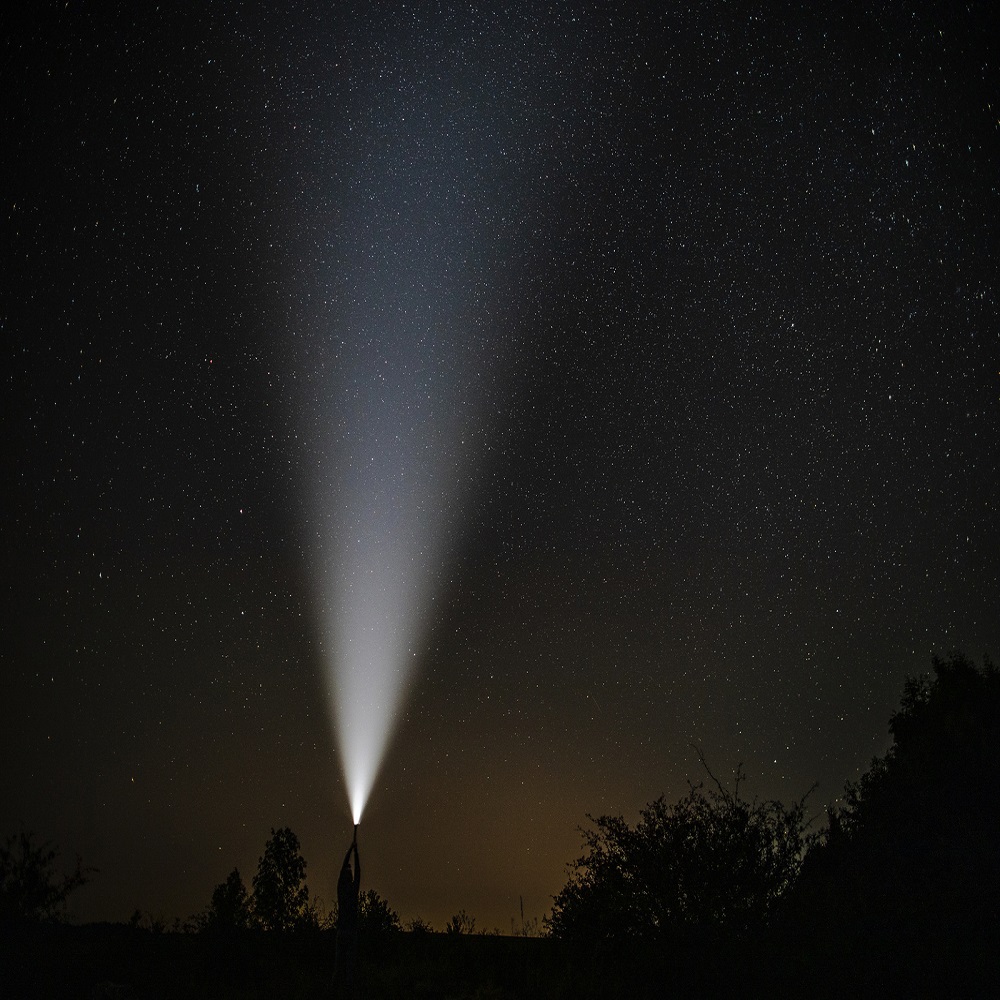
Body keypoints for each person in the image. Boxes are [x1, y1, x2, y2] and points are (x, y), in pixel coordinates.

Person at [334, 826, 360, 994]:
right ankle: (347, 992)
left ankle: (335, 991)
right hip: (350, 932)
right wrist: (355, 853)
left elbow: (345, 867)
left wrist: (350, 850)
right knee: (349, 966)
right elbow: (358, 871)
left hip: (342, 931)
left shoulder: (341, 889)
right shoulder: (352, 890)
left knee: (339, 965)